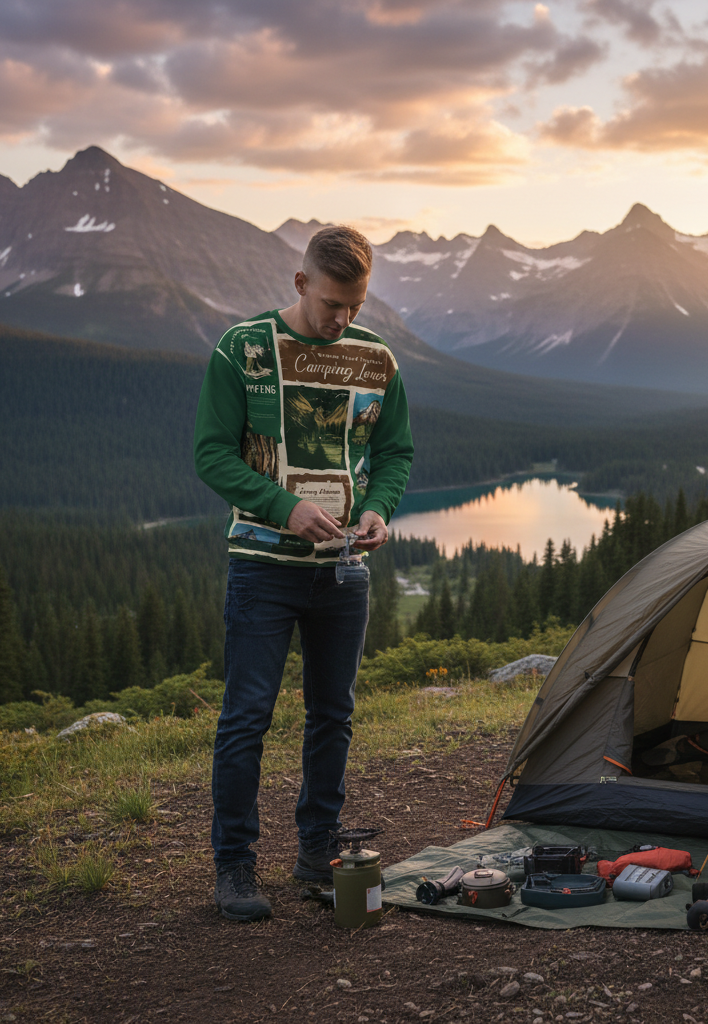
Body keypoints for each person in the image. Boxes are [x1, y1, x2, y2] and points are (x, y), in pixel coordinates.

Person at [193, 225, 414, 921]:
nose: (342, 318)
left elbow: (396, 452)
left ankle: (317, 850)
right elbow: (212, 455)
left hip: (345, 572)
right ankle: (235, 867)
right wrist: (284, 508)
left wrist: (378, 509)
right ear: (300, 285)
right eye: (329, 304)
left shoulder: (377, 358)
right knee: (246, 718)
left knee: (334, 715)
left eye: (355, 303)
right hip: (263, 567)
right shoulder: (243, 349)